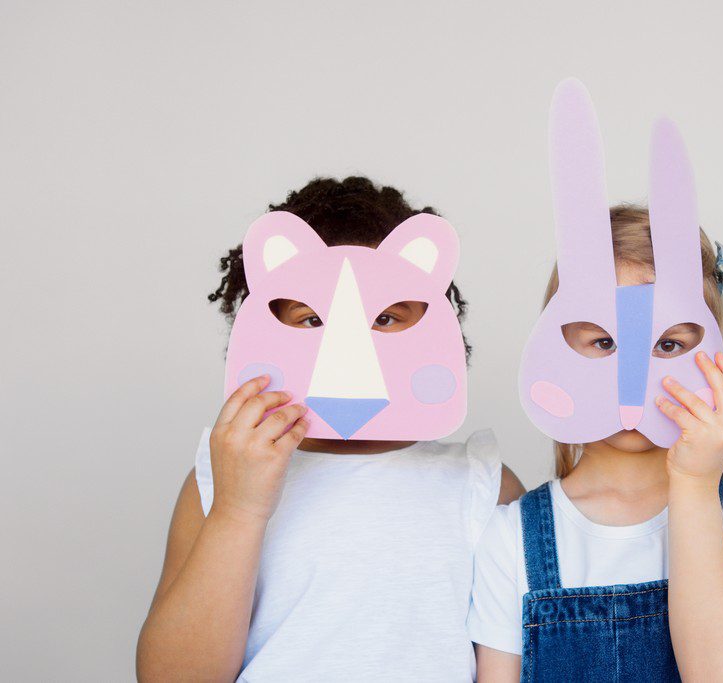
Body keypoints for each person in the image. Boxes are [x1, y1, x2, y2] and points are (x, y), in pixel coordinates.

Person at [136, 176, 525, 681]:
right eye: (308, 319)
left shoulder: (481, 483)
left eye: (387, 318)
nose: (348, 354)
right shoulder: (222, 478)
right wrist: (239, 509)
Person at [469, 206, 723, 681]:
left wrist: (694, 480)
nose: (634, 382)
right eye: (604, 343)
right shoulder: (509, 538)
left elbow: (719, 676)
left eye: (668, 346)